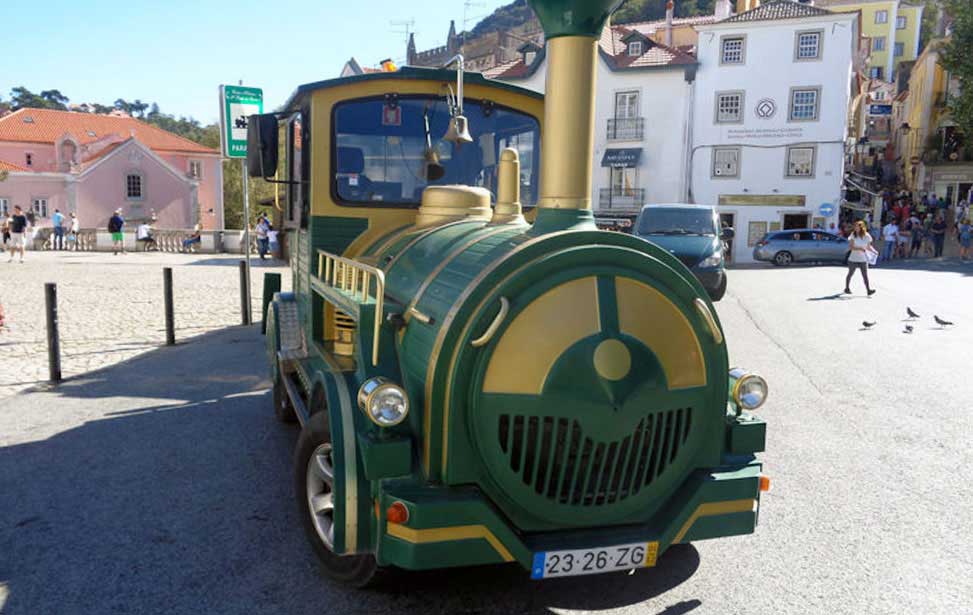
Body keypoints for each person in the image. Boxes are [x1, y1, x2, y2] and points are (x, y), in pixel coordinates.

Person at [845, 220, 876, 296]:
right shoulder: (853, 235)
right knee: (850, 273)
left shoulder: (867, 236)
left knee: (865, 275)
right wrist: (860, 249)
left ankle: (868, 290)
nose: (855, 228)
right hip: (853, 259)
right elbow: (851, 247)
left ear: (862, 227)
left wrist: (874, 251)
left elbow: (868, 247)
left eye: (857, 227)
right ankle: (847, 288)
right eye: (855, 226)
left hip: (863, 259)